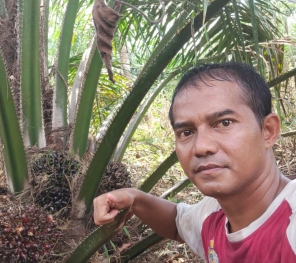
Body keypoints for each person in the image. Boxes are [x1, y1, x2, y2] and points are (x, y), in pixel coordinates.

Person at [93, 62, 296, 262]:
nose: (201, 147)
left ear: (268, 130)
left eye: (224, 123)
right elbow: (176, 223)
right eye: (187, 132)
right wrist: (133, 198)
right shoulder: (214, 214)